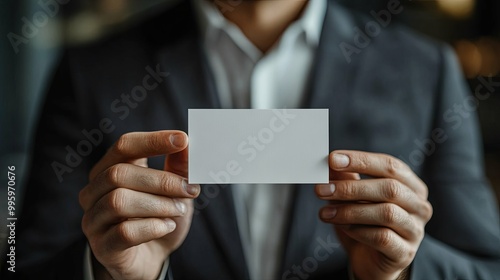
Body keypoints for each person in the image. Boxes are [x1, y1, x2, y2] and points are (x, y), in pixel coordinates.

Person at [3, 0, 500, 279]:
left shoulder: (423, 69)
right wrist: (109, 272)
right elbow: (20, 264)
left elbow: (486, 267)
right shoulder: (94, 70)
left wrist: (402, 271)